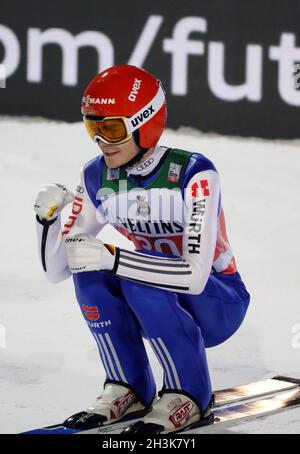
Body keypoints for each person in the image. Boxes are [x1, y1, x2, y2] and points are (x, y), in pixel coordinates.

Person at [34, 64, 250, 434]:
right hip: (157, 302)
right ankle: (127, 386)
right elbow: (58, 269)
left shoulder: (193, 173)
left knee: (134, 272)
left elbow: (196, 277)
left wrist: (116, 258)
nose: (102, 140)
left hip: (219, 302)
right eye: (93, 127)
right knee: (90, 265)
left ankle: (190, 395)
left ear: (145, 122)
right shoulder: (96, 175)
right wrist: (47, 224)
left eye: (112, 128)